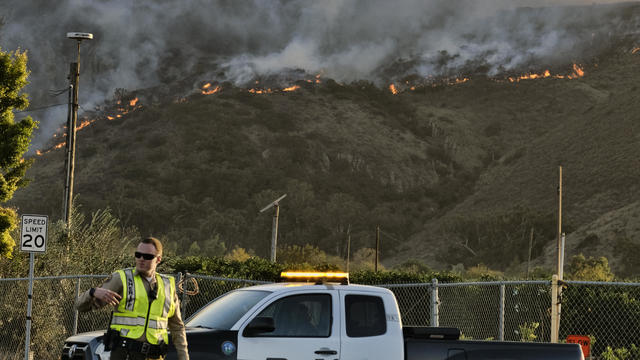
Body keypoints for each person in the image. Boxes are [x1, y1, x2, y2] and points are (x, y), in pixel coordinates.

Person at [76, 237, 189, 360]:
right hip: (124, 354)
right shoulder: (121, 279)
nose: (141, 259)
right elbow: (79, 306)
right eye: (138, 255)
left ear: (158, 260)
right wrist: (92, 292)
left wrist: (184, 357)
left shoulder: (168, 286)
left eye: (147, 256)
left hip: (154, 356)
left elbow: (177, 327)